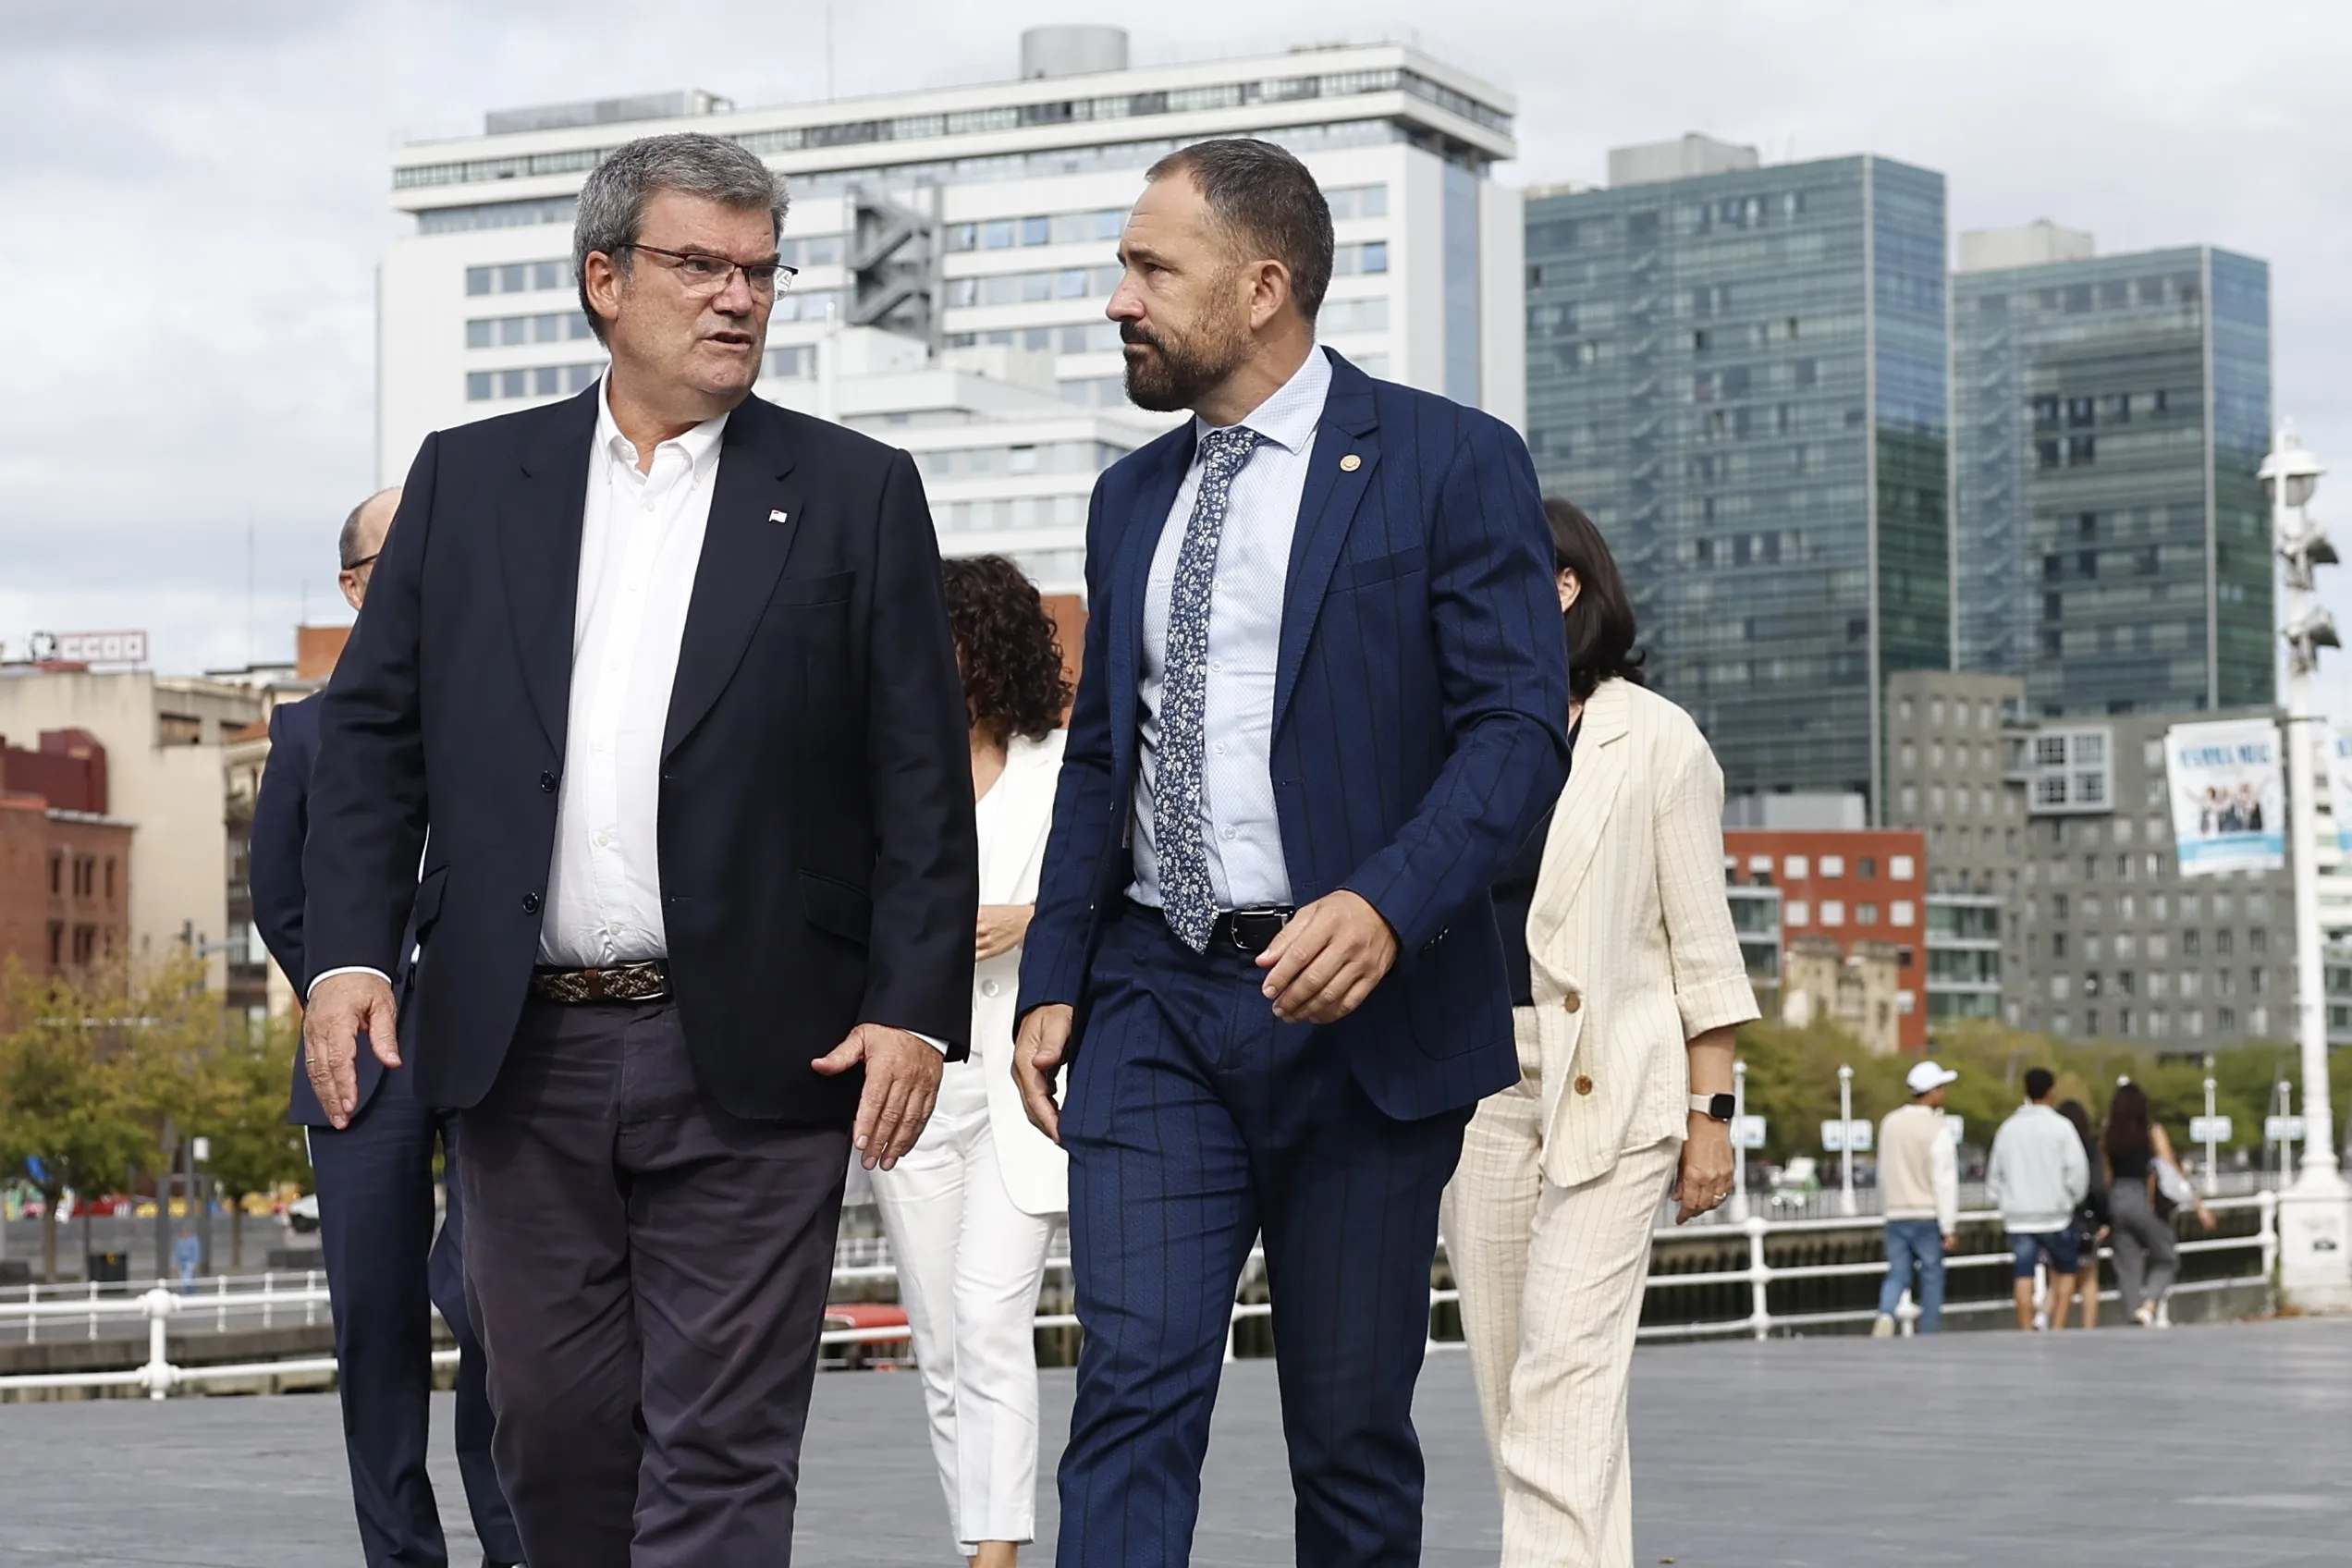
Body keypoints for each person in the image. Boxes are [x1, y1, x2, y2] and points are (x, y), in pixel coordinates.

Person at [299, 132, 977, 1566]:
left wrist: (913, 1006)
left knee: (723, 1454)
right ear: (604, 280)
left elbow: (919, 780)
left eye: (758, 271)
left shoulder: (856, 493)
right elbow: (371, 738)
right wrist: (350, 951)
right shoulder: (473, 484)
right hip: (519, 1054)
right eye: (698, 266)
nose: (737, 298)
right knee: (548, 1437)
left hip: (760, 1054)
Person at [1011, 137, 1570, 1568]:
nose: (1118, 298)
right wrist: (1055, 974)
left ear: (1263, 287)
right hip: (1154, 998)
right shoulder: (1129, 499)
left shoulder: (1451, 462)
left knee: (1349, 1436)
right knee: (1129, 1391)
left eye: (1150, 268)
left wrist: (1388, 904)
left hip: (1362, 1016)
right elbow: (1099, 758)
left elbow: (1516, 730)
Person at [1439, 498, 1755, 1567]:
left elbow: (1703, 952)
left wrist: (1711, 1118)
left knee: (1562, 1369)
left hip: (1616, 1085)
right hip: (1480, 1087)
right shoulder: (1461, 731)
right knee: (1514, 1385)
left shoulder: (1655, 738)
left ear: (1563, 587)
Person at [251, 487, 521, 1568]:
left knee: (494, 1299)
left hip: (498, 1042)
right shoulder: (306, 730)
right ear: (359, 584)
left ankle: (514, 1539)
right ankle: (401, 1552)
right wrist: (352, 993)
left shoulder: (505, 713)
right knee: (374, 1324)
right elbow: (281, 899)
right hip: (357, 1066)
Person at [870, 555, 1072, 1568]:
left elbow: (1110, 898)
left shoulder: (1064, 766)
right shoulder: (886, 775)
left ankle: (997, 1554)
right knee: (942, 1340)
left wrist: (1028, 919)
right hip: (912, 1091)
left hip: (1023, 1085)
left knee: (991, 1316)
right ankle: (979, 1544)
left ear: (987, 646)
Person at [2104, 1080, 2216, 1326]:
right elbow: (2171, 1170)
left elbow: (2106, 1175)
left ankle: (2132, 1315)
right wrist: (2199, 1205)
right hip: (2146, 1197)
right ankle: (2148, 1306)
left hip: (2118, 1199)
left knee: (2127, 1266)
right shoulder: (2152, 1131)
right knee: (2166, 1259)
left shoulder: (2109, 1135)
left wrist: (2104, 1215)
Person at [1986, 1067, 2089, 1331]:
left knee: (2023, 1274)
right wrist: (2072, 1198)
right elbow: (2077, 1171)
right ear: (2051, 1092)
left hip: (2019, 1217)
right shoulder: (2061, 1127)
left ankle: (2025, 1327)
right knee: (2065, 1271)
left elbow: (1995, 1176)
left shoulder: (2008, 1129)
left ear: (2025, 1092)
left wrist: (2004, 1201)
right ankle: (2058, 1326)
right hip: (2055, 1215)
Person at [1872, 1060, 1960, 1337]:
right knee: (1932, 1276)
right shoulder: (1938, 1128)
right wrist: (1949, 1226)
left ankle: (1886, 1313)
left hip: (1896, 1212)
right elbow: (1944, 1180)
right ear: (1931, 1091)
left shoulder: (1890, 1123)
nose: (1944, 1093)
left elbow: (1883, 1171)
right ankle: (1929, 1331)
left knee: (1898, 1273)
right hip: (1927, 1214)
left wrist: (1886, 1207)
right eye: (1941, 1087)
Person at [2048, 1097, 2109, 1330]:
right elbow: (2097, 1186)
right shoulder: (2091, 1147)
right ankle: (2088, 1326)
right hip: (2085, 1218)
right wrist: (2104, 1218)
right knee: (2089, 1278)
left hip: (2055, 1216)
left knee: (2057, 1276)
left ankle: (2046, 1319)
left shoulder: (2054, 1144)